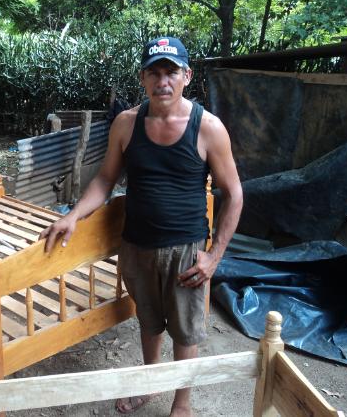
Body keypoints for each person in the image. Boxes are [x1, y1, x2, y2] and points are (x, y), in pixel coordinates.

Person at [40, 37, 243, 416]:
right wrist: (72, 215)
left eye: (171, 72)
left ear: (187, 76)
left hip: (185, 250)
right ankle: (150, 385)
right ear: (143, 78)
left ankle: (182, 403)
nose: (162, 81)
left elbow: (233, 194)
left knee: (185, 330)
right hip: (135, 244)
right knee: (149, 321)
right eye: (154, 73)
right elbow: (105, 179)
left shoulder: (208, 128)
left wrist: (214, 256)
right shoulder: (126, 124)